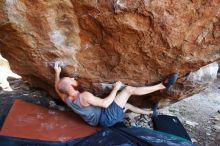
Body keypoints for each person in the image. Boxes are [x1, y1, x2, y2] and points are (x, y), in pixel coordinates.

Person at [53, 62, 178, 127]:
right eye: (71, 79)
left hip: (98, 121)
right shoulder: (84, 96)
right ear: (71, 86)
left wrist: (57, 73)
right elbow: (105, 103)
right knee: (128, 90)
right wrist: (116, 89)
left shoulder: (67, 99)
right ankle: (162, 86)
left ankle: (151, 113)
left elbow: (57, 87)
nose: (72, 78)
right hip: (106, 117)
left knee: (126, 105)